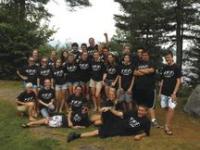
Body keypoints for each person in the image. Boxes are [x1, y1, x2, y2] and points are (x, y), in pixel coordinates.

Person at [67, 105, 151, 142]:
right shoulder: (133, 112)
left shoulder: (146, 122)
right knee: (106, 111)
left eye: (142, 111)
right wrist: (109, 108)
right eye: (139, 110)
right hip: (118, 122)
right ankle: (100, 122)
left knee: (98, 132)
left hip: (120, 130)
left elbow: (146, 133)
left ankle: (76, 136)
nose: (140, 112)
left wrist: (140, 136)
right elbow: (119, 114)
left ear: (146, 112)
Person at [133, 50, 159, 128]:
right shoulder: (138, 63)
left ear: (148, 56)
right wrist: (145, 71)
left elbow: (151, 70)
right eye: (143, 55)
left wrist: (140, 71)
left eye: (146, 55)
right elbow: (134, 73)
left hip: (150, 88)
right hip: (139, 88)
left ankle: (153, 121)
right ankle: (140, 119)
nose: (144, 56)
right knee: (140, 105)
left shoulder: (152, 63)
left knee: (150, 106)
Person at [159, 50, 182, 135]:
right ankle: (167, 122)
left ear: (172, 57)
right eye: (166, 58)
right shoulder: (164, 67)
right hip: (164, 92)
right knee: (165, 108)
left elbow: (179, 81)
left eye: (168, 57)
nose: (167, 59)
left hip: (172, 93)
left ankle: (167, 126)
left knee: (171, 109)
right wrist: (159, 92)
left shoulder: (176, 67)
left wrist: (174, 93)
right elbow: (162, 81)